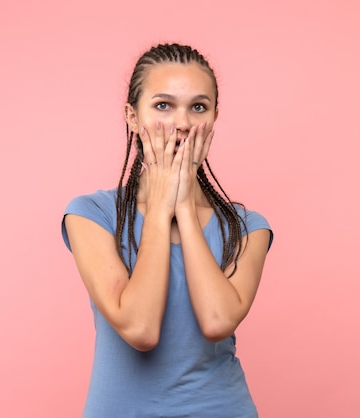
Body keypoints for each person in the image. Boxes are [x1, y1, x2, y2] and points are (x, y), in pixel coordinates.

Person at [61, 43, 273, 418]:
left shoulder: (246, 226)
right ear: (131, 116)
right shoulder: (91, 214)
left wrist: (184, 209)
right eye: (163, 105)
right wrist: (159, 209)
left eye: (198, 107)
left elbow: (217, 321)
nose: (182, 123)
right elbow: (140, 329)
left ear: (214, 118)